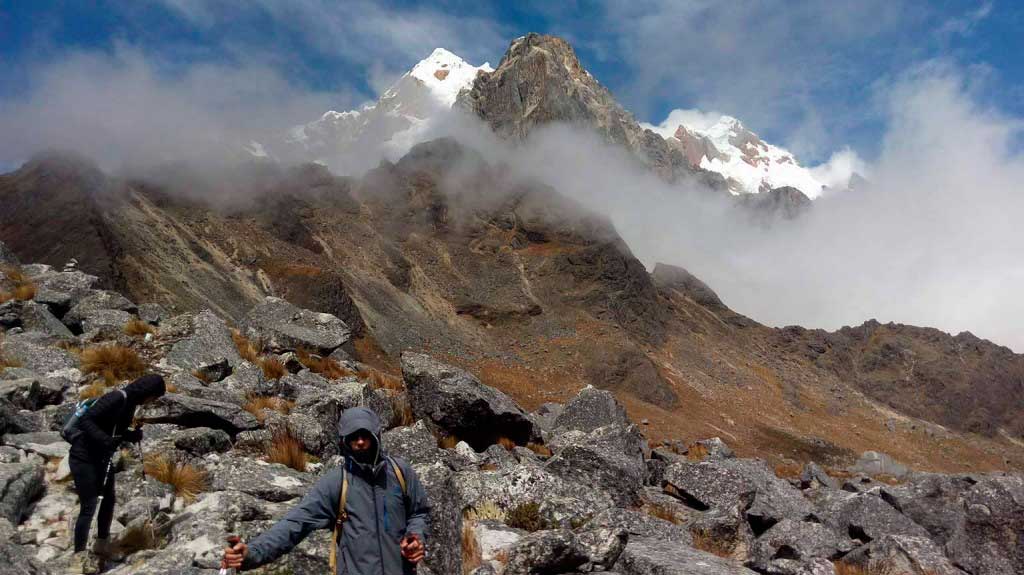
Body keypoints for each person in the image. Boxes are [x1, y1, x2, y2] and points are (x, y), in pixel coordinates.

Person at [221, 406, 431, 574]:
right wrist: (252, 553)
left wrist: (415, 536)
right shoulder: (336, 483)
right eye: (353, 436)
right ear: (344, 442)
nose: (360, 441)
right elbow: (295, 523)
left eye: (365, 435)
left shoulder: (400, 472)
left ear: (376, 436)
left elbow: (419, 512)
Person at [67, 373, 166, 573]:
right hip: (83, 458)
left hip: (102, 458)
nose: (152, 401)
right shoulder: (116, 398)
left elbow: (115, 431)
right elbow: (87, 421)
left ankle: (102, 545)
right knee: (89, 506)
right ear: (147, 392)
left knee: (109, 500)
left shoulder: (129, 404)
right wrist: (105, 440)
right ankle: (78, 558)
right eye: (154, 396)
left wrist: (131, 435)